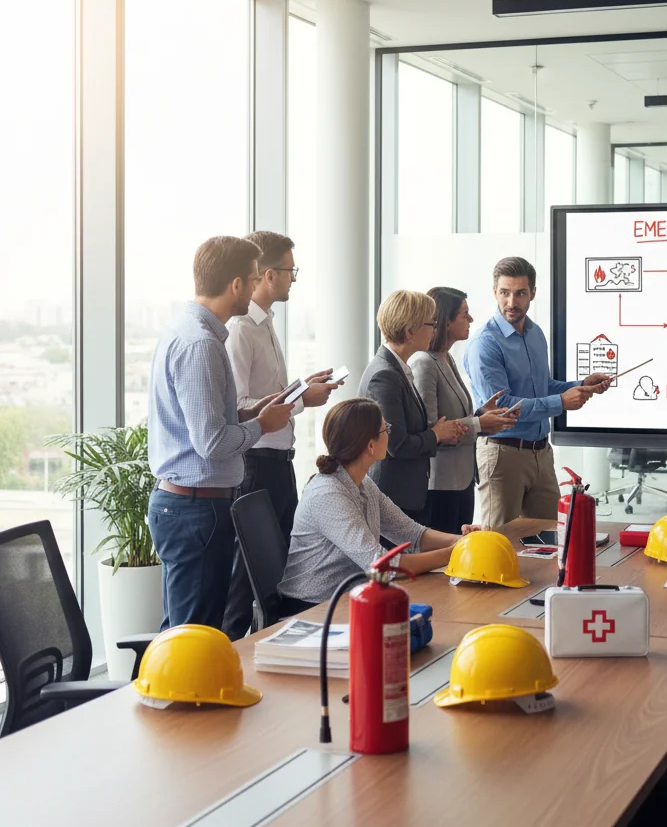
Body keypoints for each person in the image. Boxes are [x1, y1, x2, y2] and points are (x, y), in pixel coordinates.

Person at [147, 236, 295, 630]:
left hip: (195, 506)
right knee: (194, 636)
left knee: (188, 631)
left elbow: (207, 420)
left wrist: (250, 411)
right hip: (196, 509)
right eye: (250, 280)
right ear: (234, 285)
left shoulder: (196, 332)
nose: (253, 288)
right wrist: (262, 425)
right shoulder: (201, 344)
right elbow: (211, 443)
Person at [221, 230, 341, 640]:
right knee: (246, 574)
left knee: (281, 570)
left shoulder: (265, 323)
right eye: (290, 271)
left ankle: (276, 648)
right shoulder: (240, 329)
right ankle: (234, 654)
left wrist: (301, 389)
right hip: (255, 462)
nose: (293, 279)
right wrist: (303, 399)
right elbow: (238, 405)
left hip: (278, 462)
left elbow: (266, 395)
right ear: (267, 274)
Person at [277, 398, 480, 612]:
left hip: (348, 599)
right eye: (386, 429)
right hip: (312, 608)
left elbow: (412, 534)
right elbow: (382, 566)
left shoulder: (363, 483)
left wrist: (465, 541)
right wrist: (455, 553)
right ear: (370, 445)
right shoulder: (327, 494)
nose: (389, 434)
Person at [463, 256, 611, 528]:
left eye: (520, 293)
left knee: (549, 540)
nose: (512, 302)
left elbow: (543, 387)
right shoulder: (484, 344)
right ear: (495, 292)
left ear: (532, 293)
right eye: (505, 293)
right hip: (502, 453)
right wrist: (560, 402)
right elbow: (502, 407)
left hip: (541, 453)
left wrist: (579, 385)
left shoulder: (535, 334)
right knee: (500, 545)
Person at [409, 287, 518, 534]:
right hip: (440, 485)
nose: (470, 320)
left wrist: (480, 414)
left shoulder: (446, 358)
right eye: (464, 314)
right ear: (446, 321)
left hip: (462, 481)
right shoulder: (424, 363)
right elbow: (431, 429)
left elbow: (454, 417)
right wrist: (480, 424)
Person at [358, 290, 466, 523]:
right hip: (395, 496)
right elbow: (397, 445)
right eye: (431, 324)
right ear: (410, 332)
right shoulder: (385, 375)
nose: (434, 331)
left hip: (406, 495)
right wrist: (436, 434)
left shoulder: (398, 369)